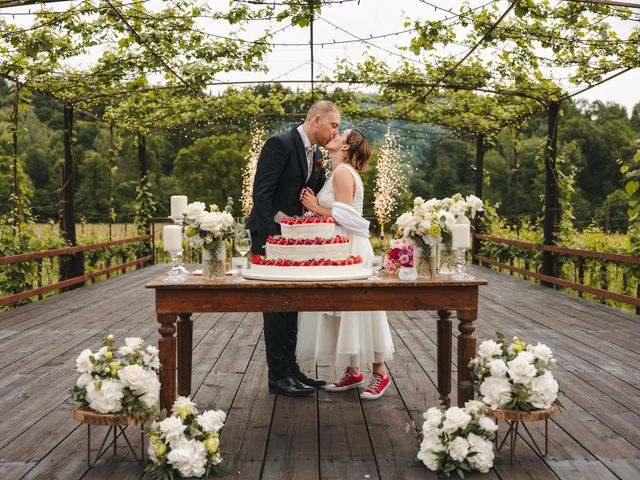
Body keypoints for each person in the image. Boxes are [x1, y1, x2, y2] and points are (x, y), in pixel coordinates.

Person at [246, 100, 340, 397]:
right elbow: (261, 195)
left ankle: (291, 369)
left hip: (292, 240)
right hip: (270, 237)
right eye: (333, 125)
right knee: (276, 307)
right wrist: (272, 239)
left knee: (291, 305)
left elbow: (319, 192)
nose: (335, 130)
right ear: (316, 120)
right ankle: (277, 377)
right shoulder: (280, 144)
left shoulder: (314, 153)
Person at [298, 128, 395, 400]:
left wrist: (316, 207)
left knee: (361, 310)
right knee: (343, 310)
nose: (336, 134)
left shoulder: (342, 173)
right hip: (340, 247)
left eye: (342, 134)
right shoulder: (340, 171)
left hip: (349, 247)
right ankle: (353, 372)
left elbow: (346, 215)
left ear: (346, 147)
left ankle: (380, 372)